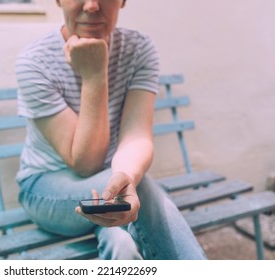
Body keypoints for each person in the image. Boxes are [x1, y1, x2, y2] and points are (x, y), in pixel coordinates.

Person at [15, 0, 206, 260]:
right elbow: (86, 163)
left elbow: (136, 136)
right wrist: (94, 74)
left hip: (109, 182)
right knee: (141, 190)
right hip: (47, 189)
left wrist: (126, 175)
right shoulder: (35, 63)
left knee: (122, 245)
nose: (92, 6)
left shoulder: (138, 49)